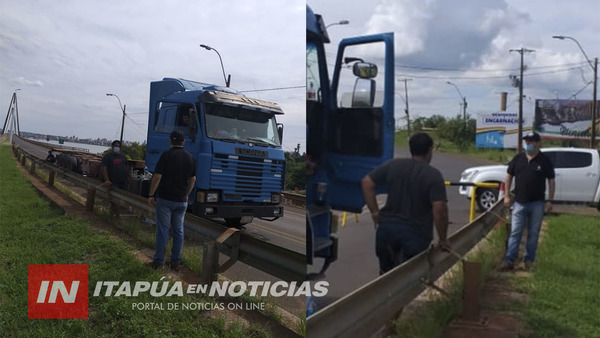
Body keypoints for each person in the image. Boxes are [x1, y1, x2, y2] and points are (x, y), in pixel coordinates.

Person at [361, 132, 450, 275]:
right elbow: (439, 209)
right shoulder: (433, 175)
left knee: (385, 279)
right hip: (415, 236)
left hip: (386, 232)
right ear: (429, 150)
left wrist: (375, 212)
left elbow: (367, 182)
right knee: (409, 280)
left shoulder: (393, 165)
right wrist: (443, 239)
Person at [501, 132, 555, 271]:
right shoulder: (518, 158)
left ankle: (528, 261)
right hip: (519, 202)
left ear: (538, 143)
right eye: (527, 141)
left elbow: (551, 180)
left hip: (537, 203)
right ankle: (509, 260)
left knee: (533, 233)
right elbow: (508, 177)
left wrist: (550, 200)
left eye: (532, 141)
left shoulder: (544, 160)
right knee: (515, 232)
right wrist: (506, 196)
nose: (529, 144)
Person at [147, 130, 196, 271]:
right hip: (181, 200)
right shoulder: (190, 158)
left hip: (165, 199)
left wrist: (151, 194)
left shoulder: (166, 155)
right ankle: (175, 262)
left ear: (170, 141)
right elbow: (193, 179)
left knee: (162, 230)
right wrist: (187, 194)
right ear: (184, 142)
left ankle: (158, 261)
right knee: (178, 231)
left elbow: (157, 176)